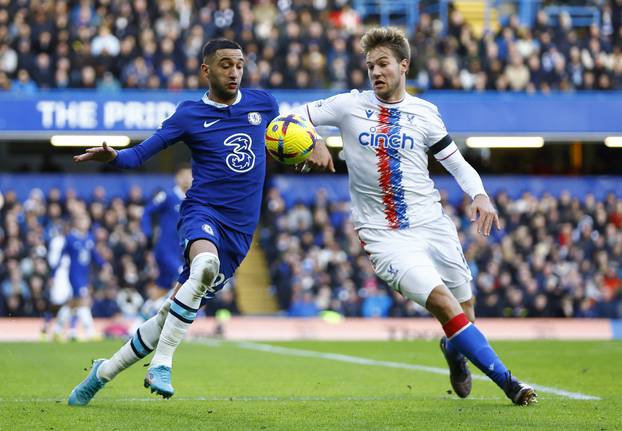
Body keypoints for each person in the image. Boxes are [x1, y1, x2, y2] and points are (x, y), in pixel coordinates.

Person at [67, 38, 333, 406]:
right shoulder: (189, 114)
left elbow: (290, 134)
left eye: (239, 64)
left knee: (168, 315)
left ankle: (103, 373)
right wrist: (114, 156)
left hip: (240, 233)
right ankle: (162, 363)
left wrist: (314, 143)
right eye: (226, 64)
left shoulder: (263, 103)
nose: (235, 71)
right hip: (202, 213)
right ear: (206, 70)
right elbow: (140, 154)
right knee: (203, 265)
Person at [297, 27, 537, 405]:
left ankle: (453, 350)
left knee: (464, 313)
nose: (375, 72)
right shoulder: (347, 105)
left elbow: (456, 163)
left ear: (404, 65)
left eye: (383, 64)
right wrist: (312, 139)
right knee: (443, 303)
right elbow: (292, 115)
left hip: (432, 224)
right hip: (383, 235)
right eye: (370, 66)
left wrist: (479, 194)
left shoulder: (424, 113)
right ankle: (510, 384)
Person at [51, 213, 106, 341]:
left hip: (85, 275)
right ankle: (90, 331)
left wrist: (104, 264)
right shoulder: (70, 238)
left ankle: (57, 330)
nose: (85, 223)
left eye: (86, 220)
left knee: (72, 304)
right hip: (74, 275)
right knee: (84, 301)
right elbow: (61, 256)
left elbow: (94, 256)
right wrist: (53, 274)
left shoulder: (89, 238)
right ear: (76, 222)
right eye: (82, 220)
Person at [140, 163, 192, 291]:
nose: (186, 179)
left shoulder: (194, 199)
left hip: (183, 251)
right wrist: (147, 233)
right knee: (183, 279)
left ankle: (150, 309)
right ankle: (187, 311)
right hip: (166, 250)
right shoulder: (167, 196)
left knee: (163, 286)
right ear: (177, 178)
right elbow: (146, 212)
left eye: (189, 176)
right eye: (183, 175)